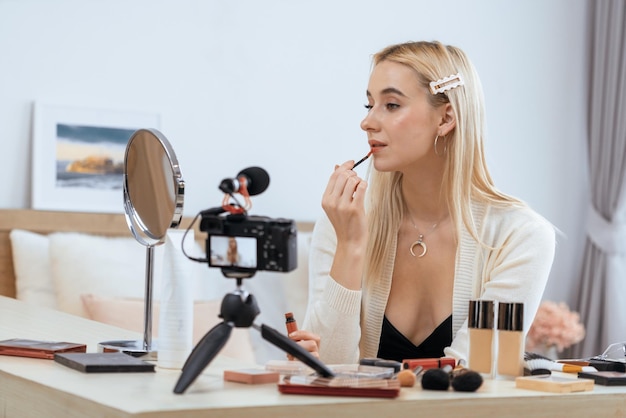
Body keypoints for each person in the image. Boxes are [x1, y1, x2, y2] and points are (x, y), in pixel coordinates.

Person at [290, 40, 556, 365]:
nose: (367, 122)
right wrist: (351, 246)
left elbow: (475, 375)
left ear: (445, 119)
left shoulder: (521, 238)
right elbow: (326, 370)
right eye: (368, 105)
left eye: (391, 105)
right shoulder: (343, 224)